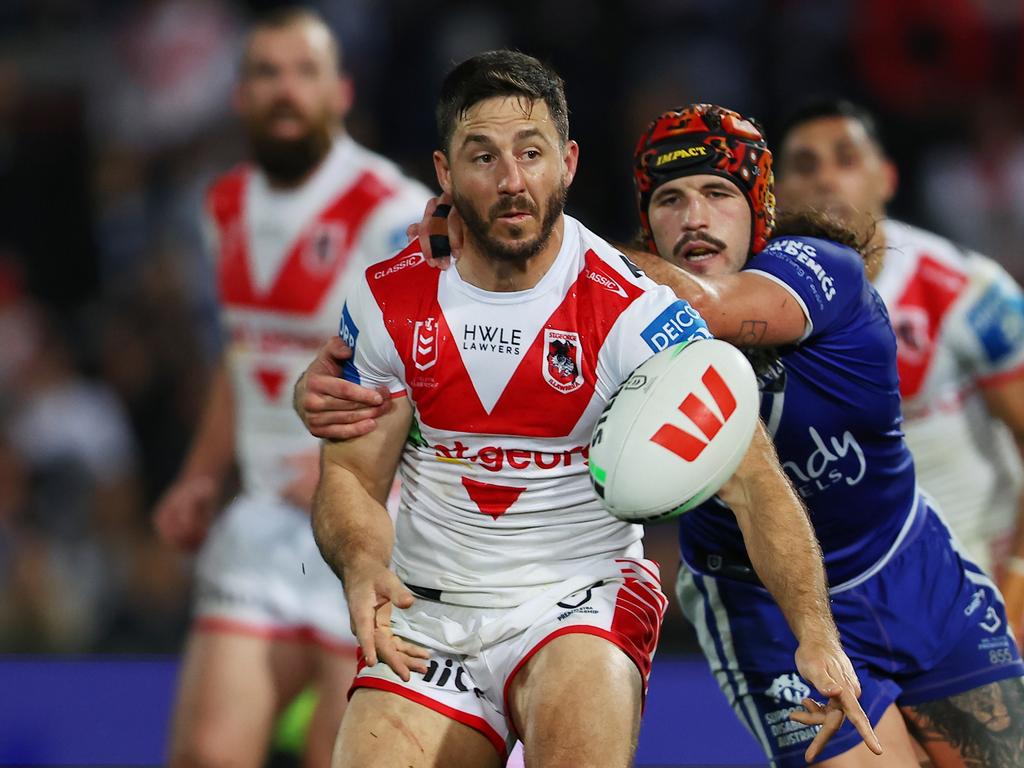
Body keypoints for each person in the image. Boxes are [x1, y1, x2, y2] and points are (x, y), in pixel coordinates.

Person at [301, 101, 1024, 766]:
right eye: (670, 200)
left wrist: (509, 234)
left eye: (718, 195)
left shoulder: (815, 271)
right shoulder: (618, 332)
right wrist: (331, 383)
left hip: (912, 571)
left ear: (759, 212)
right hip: (761, 607)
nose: (694, 218)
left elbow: (704, 305)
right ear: (650, 223)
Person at [151, 9, 430, 768]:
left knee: (336, 757)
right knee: (207, 752)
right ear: (238, 95)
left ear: (340, 92)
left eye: (303, 72)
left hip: (370, 527)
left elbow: (433, 364)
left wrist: (361, 465)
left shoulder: (393, 211)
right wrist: (203, 476)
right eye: (266, 73)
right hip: (264, 526)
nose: (285, 90)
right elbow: (244, 354)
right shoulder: (225, 206)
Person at [774, 98, 1024, 628]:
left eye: (846, 159)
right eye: (805, 165)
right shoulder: (761, 305)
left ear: (885, 177)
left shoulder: (965, 292)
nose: (826, 181)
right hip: (850, 596)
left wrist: (1019, 582)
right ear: (777, 193)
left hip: (980, 581)